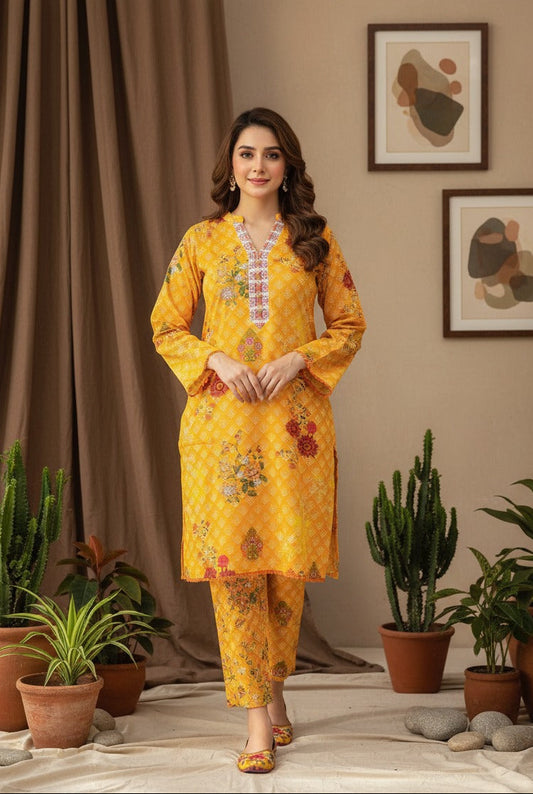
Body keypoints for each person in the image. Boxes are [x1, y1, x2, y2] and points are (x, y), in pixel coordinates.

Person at [151, 107, 366, 774]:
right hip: (222, 431)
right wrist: (215, 360)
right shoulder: (201, 241)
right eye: (247, 153)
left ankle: (273, 693)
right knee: (234, 570)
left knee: (284, 568)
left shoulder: (314, 239)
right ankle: (254, 724)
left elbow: (350, 323)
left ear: (287, 165)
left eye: (271, 154)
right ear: (231, 164)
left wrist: (294, 360)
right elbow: (166, 327)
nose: (257, 165)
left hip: (294, 430)